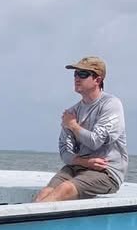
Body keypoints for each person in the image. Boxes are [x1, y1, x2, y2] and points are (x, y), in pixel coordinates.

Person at [36, 54, 128, 201]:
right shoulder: (72, 112)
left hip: (106, 172)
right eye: (75, 74)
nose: (77, 78)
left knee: (65, 189)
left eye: (83, 74)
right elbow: (64, 152)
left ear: (98, 80)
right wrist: (84, 162)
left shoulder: (111, 105)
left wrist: (73, 125)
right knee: (44, 193)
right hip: (77, 167)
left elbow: (95, 141)